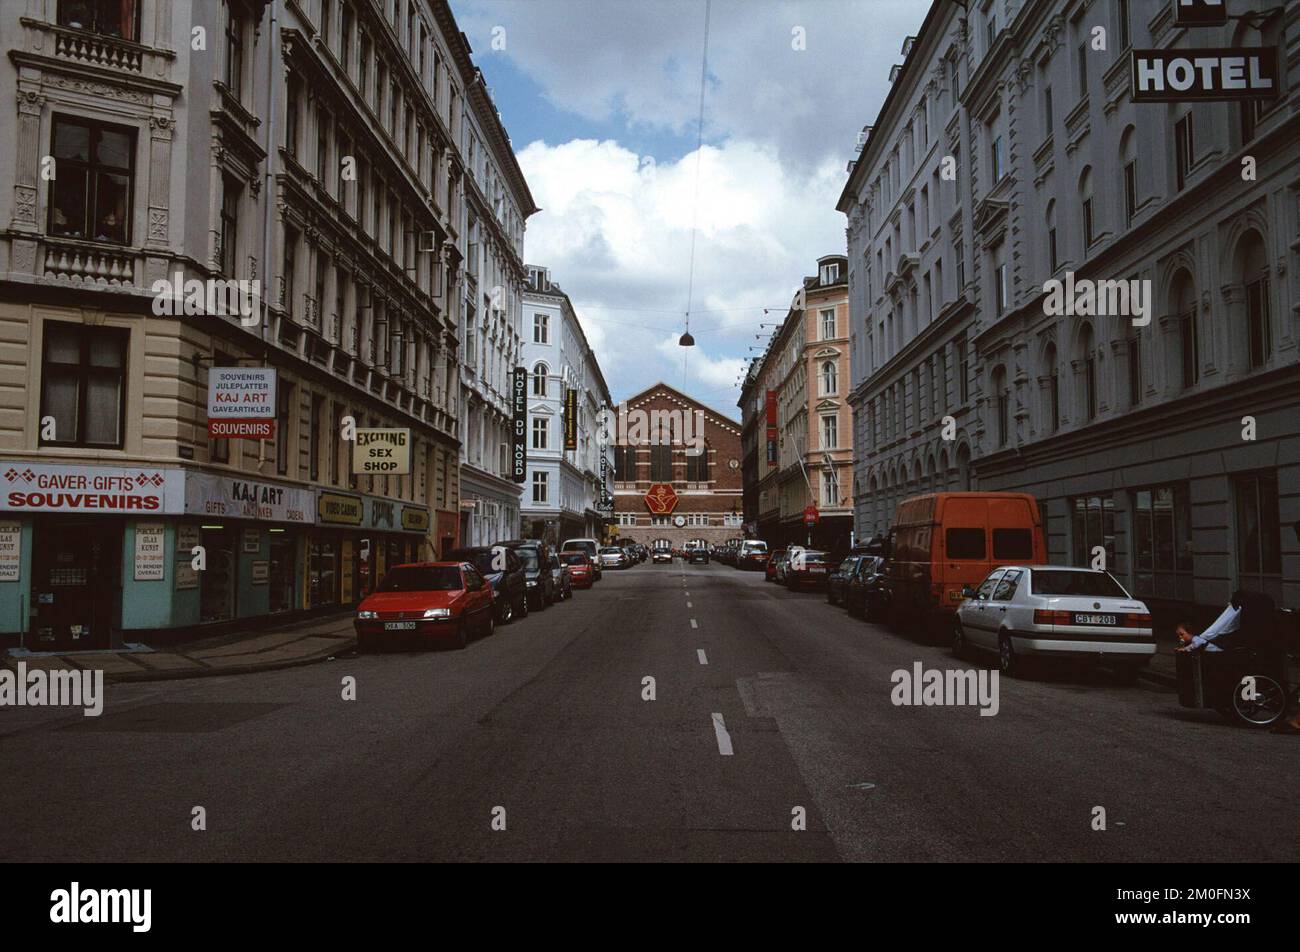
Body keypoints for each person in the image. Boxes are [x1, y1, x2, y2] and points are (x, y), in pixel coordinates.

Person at [1175, 591, 1246, 653]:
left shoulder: (1198, 638)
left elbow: (1195, 645)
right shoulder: (1199, 638)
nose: (1181, 637)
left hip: (1218, 653)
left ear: (1190, 632)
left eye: (1182, 634)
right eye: (1179, 635)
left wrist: (1184, 649)